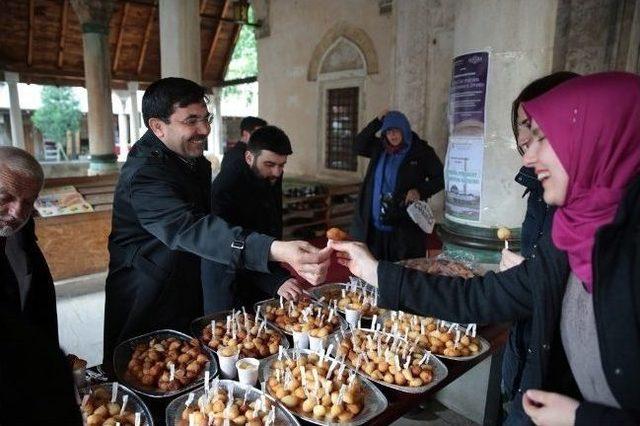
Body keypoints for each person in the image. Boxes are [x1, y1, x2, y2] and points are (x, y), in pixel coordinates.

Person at [331, 72, 640, 425]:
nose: (527, 157)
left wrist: (581, 419)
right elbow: (478, 297)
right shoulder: (571, 236)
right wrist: (374, 272)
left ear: (596, 138)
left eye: (544, 137)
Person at [104, 78, 330, 370]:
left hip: (185, 278)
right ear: (158, 127)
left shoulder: (191, 160)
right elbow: (192, 228)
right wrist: (274, 249)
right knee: (146, 370)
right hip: (148, 288)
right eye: (192, 120)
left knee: (189, 366)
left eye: (206, 118)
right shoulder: (144, 174)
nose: (205, 129)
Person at [500, 71, 579, 425]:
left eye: (536, 127)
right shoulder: (539, 190)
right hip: (528, 342)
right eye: (520, 124)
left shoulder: (593, 213)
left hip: (560, 371)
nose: (524, 141)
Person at [0, 146, 82, 424]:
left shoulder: (19, 233)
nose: (17, 212)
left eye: (29, 201)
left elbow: (35, 299)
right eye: (5, 198)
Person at [201, 125, 302, 313]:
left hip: (262, 269)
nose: (277, 173)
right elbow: (230, 245)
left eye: (282, 165)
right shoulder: (227, 186)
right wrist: (274, 279)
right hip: (228, 277)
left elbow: (271, 224)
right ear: (249, 157)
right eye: (270, 165)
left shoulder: (270, 173)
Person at [351, 110, 444, 262]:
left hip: (402, 229)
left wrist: (420, 191)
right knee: (373, 269)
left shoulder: (421, 151)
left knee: (400, 270)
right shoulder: (380, 148)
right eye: (388, 131)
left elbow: (440, 178)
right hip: (374, 227)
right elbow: (357, 146)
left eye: (396, 130)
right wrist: (378, 121)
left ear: (404, 129)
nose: (392, 135)